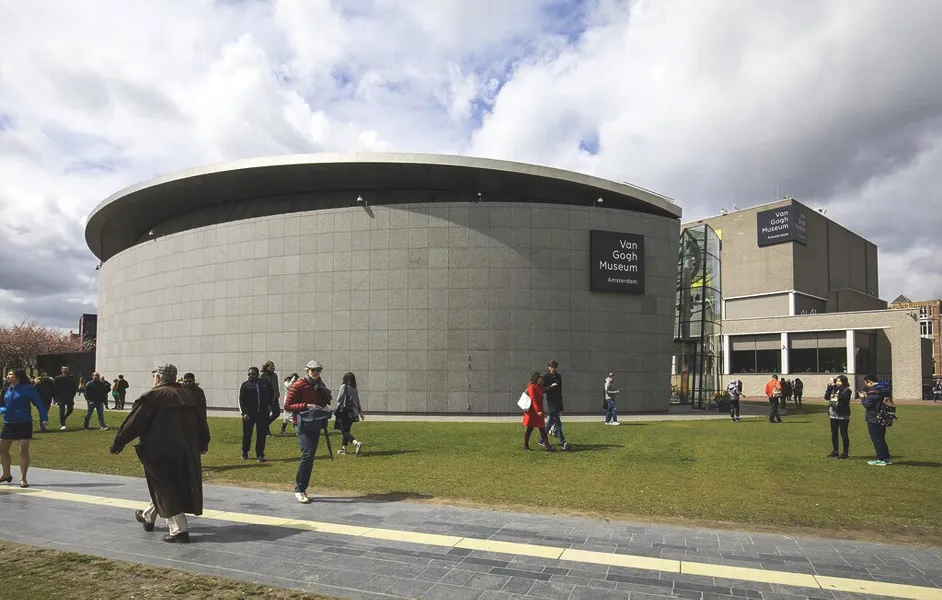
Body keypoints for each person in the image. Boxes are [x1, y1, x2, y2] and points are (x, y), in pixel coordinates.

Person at [110, 363, 210, 543]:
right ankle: (148, 516)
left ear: (158, 377)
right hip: (186, 449)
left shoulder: (153, 397)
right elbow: (201, 421)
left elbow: (134, 423)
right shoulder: (188, 395)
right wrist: (203, 442)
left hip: (160, 450)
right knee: (166, 485)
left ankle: (179, 530)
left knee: (165, 487)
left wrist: (118, 443)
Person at [284, 360, 333, 504]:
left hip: (316, 422)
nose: (316, 373)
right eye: (313, 370)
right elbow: (287, 405)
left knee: (310, 456)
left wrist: (324, 407)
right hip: (301, 423)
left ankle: (303, 488)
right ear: (307, 371)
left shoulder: (320, 385)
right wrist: (306, 405)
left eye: (318, 370)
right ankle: (299, 489)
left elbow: (324, 401)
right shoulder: (299, 385)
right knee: (308, 454)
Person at [1, 369, 50, 488]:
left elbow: (39, 403)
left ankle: (23, 478)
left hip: (24, 423)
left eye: (10, 374)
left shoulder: (29, 388)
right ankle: (6, 474)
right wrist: (2, 410)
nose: (8, 376)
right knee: (2, 450)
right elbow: (2, 404)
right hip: (8, 423)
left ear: (18, 376)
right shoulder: (7, 388)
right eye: (7, 374)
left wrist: (44, 418)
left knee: (23, 450)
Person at [238, 367, 275, 462]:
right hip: (249, 414)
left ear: (257, 374)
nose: (250, 376)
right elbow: (241, 399)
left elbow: (272, 394)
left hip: (262, 413)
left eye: (253, 374)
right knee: (247, 434)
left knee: (261, 435)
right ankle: (245, 451)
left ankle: (260, 454)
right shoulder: (245, 385)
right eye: (249, 374)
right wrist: (244, 413)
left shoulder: (264, 383)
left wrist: (269, 405)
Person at [860, 374, 894, 466]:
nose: (866, 385)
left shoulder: (874, 391)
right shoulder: (884, 390)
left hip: (874, 418)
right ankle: (886, 457)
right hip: (883, 416)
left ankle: (881, 458)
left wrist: (863, 398)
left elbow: (868, 405)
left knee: (876, 439)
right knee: (881, 438)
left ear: (870, 382)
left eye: (866, 383)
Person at [334, 372, 365, 456]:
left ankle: (356, 443)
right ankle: (344, 449)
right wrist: (361, 413)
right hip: (353, 413)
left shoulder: (344, 386)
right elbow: (357, 402)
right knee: (347, 430)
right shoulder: (355, 389)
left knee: (344, 431)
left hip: (344, 412)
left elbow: (339, 399)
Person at [542, 360, 569, 450]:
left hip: (557, 402)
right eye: (551, 367)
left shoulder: (558, 376)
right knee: (558, 423)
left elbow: (559, 390)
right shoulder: (546, 377)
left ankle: (542, 439)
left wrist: (560, 402)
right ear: (549, 367)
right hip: (551, 402)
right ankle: (563, 442)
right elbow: (542, 389)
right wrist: (550, 387)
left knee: (550, 423)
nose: (553, 369)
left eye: (555, 367)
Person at [523, 372, 552, 451]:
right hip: (533, 412)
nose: (541, 379)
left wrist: (541, 411)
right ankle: (525, 445)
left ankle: (547, 446)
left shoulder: (539, 386)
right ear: (536, 378)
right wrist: (538, 411)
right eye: (539, 377)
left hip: (538, 412)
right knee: (529, 429)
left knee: (542, 429)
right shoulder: (531, 386)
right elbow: (533, 400)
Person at [828, 375, 852, 459]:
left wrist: (835, 390)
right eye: (837, 381)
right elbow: (826, 397)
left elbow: (843, 397)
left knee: (843, 433)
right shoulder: (834, 389)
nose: (838, 383)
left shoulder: (847, 390)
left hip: (843, 415)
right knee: (834, 433)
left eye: (840, 381)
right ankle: (835, 451)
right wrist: (829, 388)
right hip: (833, 414)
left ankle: (845, 453)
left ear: (844, 382)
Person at [259, 361, 281, 436]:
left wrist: (277, 392)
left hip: (274, 397)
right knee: (266, 414)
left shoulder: (275, 375)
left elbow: (276, 385)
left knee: (277, 412)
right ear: (267, 367)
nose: (273, 368)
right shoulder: (263, 376)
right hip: (267, 398)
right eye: (271, 366)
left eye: (273, 366)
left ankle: (263, 426)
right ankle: (266, 431)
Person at [54, 366, 77, 431]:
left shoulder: (71, 377)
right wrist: (56, 398)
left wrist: (73, 393)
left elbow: (74, 386)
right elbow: (55, 388)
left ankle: (63, 418)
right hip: (61, 397)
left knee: (70, 410)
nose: (66, 370)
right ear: (61, 370)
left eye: (67, 369)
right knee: (62, 411)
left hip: (69, 397)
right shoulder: (57, 378)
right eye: (65, 369)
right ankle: (63, 425)